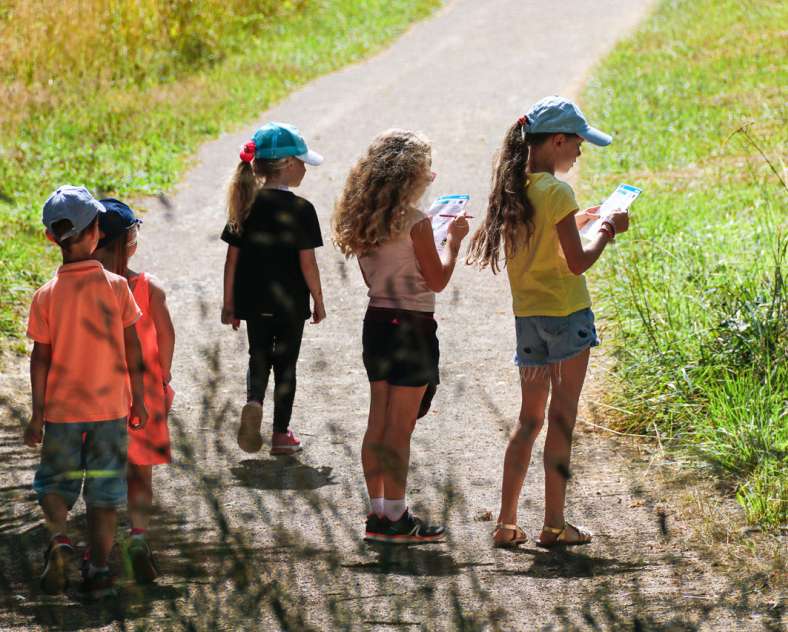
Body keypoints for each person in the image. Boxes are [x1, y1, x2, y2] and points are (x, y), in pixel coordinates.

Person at [466, 96, 630, 548]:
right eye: (577, 142)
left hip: (529, 320)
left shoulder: (516, 188)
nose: (580, 151)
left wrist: (583, 219)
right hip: (567, 317)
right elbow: (576, 262)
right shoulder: (558, 191)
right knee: (562, 421)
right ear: (557, 140)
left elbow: (546, 237)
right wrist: (608, 228)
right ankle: (554, 525)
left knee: (529, 420)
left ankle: (506, 522)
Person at [332, 129, 469, 543]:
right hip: (413, 325)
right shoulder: (417, 223)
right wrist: (455, 243)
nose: (433, 174)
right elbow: (438, 279)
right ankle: (397, 517)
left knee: (378, 421)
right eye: (427, 167)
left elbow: (370, 275)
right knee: (400, 428)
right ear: (409, 174)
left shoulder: (364, 220)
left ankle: (378, 513)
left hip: (377, 322)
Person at [24, 185, 147, 598]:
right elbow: (133, 347)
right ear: (97, 232)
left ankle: (59, 540)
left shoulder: (46, 296)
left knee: (54, 484)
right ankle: (97, 569)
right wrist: (141, 398)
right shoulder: (115, 287)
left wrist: (37, 413)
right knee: (105, 493)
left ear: (50, 238)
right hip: (110, 409)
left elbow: (39, 359)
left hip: (61, 411)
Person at [221, 122, 326, 456]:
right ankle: (281, 434)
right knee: (286, 364)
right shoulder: (302, 210)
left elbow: (231, 260)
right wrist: (319, 300)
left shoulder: (245, 206)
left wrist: (229, 304)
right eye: (303, 163)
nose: (306, 169)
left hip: (253, 300)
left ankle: (253, 400)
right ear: (288, 165)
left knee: (258, 354)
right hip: (291, 303)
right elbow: (308, 263)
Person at [92, 198, 175, 584]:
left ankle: (99, 556)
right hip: (145, 392)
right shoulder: (149, 287)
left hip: (99, 394)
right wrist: (164, 377)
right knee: (140, 474)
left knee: (105, 475)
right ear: (130, 242)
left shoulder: (85, 292)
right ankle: (139, 536)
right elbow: (166, 335)